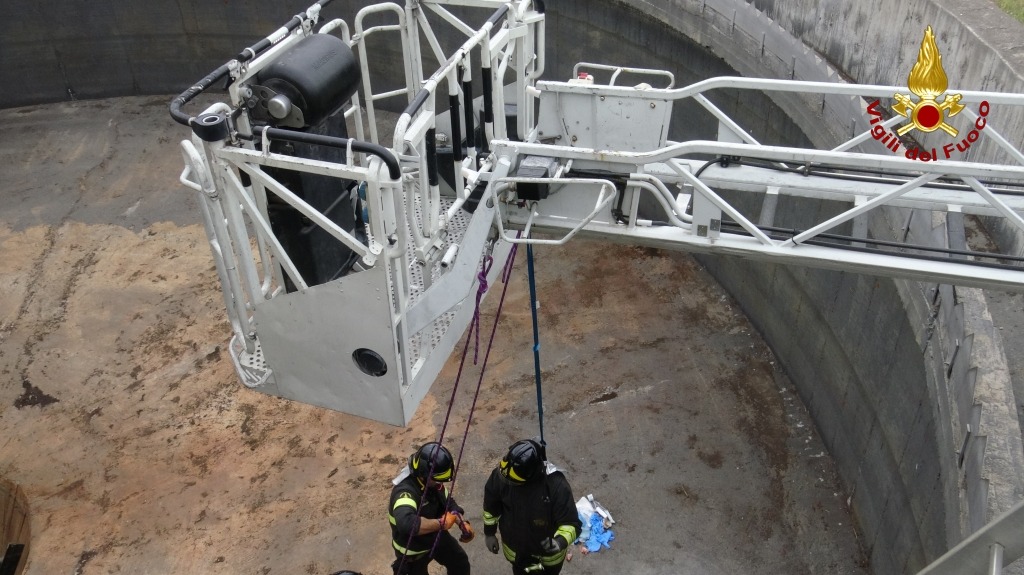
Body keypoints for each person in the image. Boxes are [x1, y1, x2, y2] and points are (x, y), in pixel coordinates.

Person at [482, 439, 582, 575]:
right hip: (516, 553)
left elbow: (571, 523)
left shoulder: (556, 487)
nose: (508, 483)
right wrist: (489, 532)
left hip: (549, 560)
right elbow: (491, 507)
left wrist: (560, 542)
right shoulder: (504, 474)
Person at [388, 442, 472, 575]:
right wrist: (441, 524)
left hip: (436, 538)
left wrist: (461, 522)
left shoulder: (433, 484)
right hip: (413, 551)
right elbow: (407, 524)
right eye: (437, 479)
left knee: (460, 563)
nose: (440, 483)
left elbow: (449, 503)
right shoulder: (405, 493)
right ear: (423, 474)